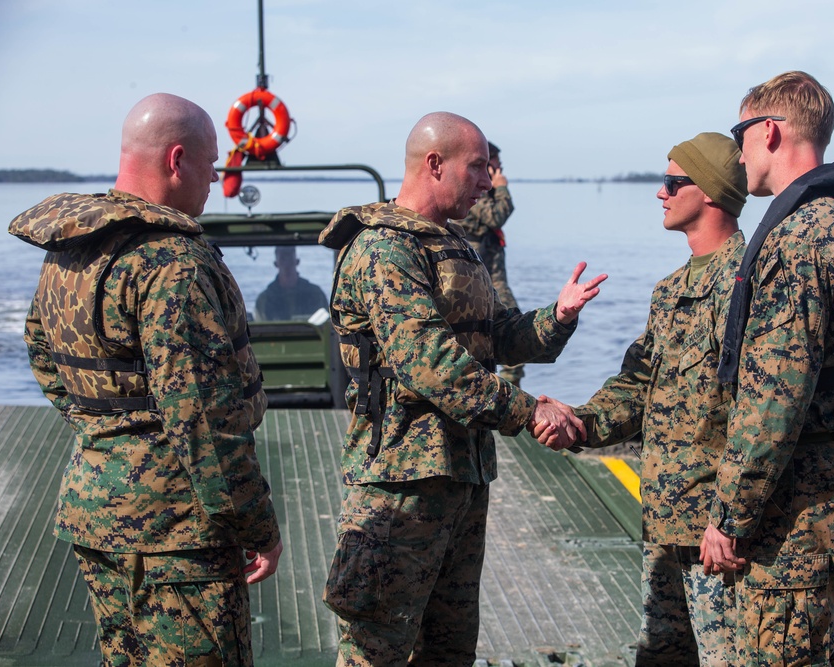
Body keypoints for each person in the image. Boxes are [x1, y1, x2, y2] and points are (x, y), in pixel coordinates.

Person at [318, 111, 607, 667]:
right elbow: (430, 363)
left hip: (460, 477)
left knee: (449, 649)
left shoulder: (452, 244)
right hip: (400, 483)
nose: (487, 180)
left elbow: (494, 337)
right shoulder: (384, 251)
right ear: (434, 165)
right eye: (477, 167)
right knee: (377, 650)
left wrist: (558, 317)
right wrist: (532, 410)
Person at [8, 93, 283, 666]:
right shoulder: (172, 263)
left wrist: (115, 434)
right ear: (177, 159)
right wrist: (256, 524)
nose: (214, 178)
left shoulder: (70, 247)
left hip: (95, 513)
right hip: (177, 534)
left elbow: (42, 354)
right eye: (211, 164)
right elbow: (203, 420)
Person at [701, 71, 834, 665]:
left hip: (799, 507)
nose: (737, 153)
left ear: (769, 131)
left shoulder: (798, 240)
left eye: (740, 134)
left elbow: (774, 401)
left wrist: (730, 517)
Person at [534, 132, 748, 666]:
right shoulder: (670, 291)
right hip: (666, 523)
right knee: (660, 656)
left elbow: (766, 413)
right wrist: (579, 424)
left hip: (717, 534)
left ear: (711, 193)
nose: (661, 193)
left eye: (675, 182)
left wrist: (733, 515)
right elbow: (637, 386)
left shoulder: (749, 287)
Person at [456, 141, 524, 386]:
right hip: (482, 281)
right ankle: (504, 397)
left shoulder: (483, 191)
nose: (499, 173)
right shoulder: (475, 193)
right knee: (514, 332)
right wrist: (502, 189)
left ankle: (506, 393)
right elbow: (495, 216)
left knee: (511, 336)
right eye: (495, 167)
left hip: (490, 278)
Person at [254, 245, 328, 320]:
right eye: (283, 259)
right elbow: (260, 328)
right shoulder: (264, 299)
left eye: (290, 259)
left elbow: (327, 322)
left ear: (297, 261)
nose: (287, 264)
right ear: (276, 264)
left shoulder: (316, 294)